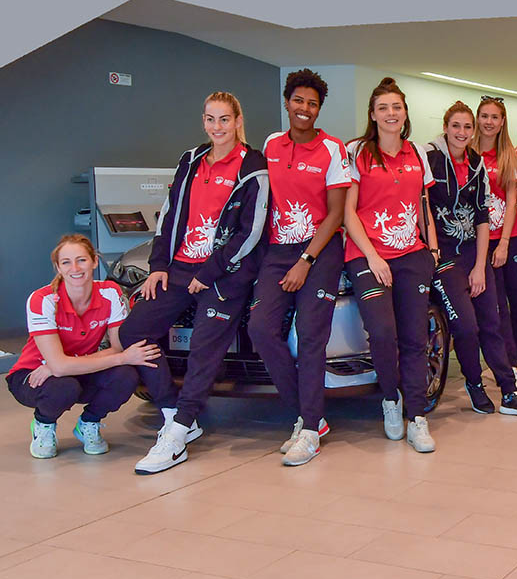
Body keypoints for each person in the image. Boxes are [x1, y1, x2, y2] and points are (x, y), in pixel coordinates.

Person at [120, 91, 268, 474]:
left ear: (238, 121)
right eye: (209, 119)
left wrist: (209, 273)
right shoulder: (191, 159)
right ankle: (173, 412)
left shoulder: (253, 165)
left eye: (224, 119)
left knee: (204, 347)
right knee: (135, 330)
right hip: (180, 268)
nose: (216, 127)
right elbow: (170, 216)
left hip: (225, 272)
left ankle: (178, 432)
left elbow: (250, 232)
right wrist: (158, 265)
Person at [248, 69, 350, 467]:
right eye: (298, 101)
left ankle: (308, 429)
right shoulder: (271, 144)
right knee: (260, 329)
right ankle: (310, 414)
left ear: (318, 108)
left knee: (310, 337)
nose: (304, 109)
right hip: (277, 251)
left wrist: (306, 261)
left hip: (320, 252)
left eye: (312, 103)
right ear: (287, 103)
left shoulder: (332, 149)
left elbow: (336, 213)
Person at [425, 102, 517, 419]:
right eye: (457, 126)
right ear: (446, 127)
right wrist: (433, 250)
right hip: (445, 258)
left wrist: (481, 265)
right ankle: (474, 384)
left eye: (467, 127)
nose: (462, 133)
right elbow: (421, 205)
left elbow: (482, 217)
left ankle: (509, 392)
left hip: (475, 254)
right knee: (466, 326)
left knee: (492, 323)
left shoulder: (476, 163)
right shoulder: (430, 159)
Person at [343, 78, 439, 453]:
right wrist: (372, 255)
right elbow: (348, 211)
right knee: (383, 332)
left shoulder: (417, 153)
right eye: (383, 108)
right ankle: (390, 400)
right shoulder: (357, 152)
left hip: (412, 254)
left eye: (396, 107)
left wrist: (431, 249)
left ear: (405, 113)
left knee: (415, 336)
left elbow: (423, 205)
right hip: (367, 254)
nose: (390, 114)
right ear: (372, 114)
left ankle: (417, 416)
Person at [7, 235, 160, 458]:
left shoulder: (110, 292)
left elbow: (116, 347)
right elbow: (116, 355)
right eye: (66, 262)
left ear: (94, 261)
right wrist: (122, 357)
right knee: (64, 387)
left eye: (82, 260)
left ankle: (89, 423)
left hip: (74, 369)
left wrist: (60, 366)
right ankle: (43, 424)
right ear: (58, 267)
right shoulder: (43, 299)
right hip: (32, 375)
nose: (75, 268)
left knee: (126, 375)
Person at [473, 95, 517, 391]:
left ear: (502, 121)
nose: (489, 122)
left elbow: (511, 204)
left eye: (494, 117)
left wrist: (505, 243)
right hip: (481, 244)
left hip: (510, 239)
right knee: (497, 308)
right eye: (484, 116)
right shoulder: (467, 154)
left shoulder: (508, 155)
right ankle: (507, 363)